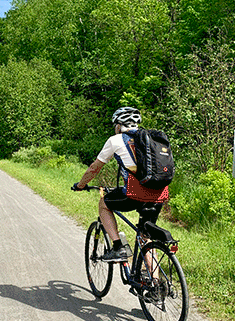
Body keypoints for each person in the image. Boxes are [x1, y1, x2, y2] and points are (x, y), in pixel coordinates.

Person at [72, 106, 167, 262]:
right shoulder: (151, 139)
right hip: (159, 194)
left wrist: (81, 185)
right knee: (146, 238)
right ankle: (154, 283)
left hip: (136, 193)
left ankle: (119, 247)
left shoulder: (115, 140)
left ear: (118, 124)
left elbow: (94, 168)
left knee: (104, 203)